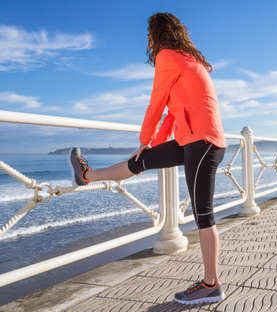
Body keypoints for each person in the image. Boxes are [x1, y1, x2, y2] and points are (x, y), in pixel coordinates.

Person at [69, 12, 227, 305]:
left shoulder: (168, 57)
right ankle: (86, 175)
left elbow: (155, 102)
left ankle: (211, 284)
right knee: (141, 161)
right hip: (193, 139)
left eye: (148, 34)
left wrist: (144, 139)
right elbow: (170, 111)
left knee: (204, 216)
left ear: (158, 34)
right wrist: (150, 145)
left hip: (201, 142)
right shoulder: (187, 59)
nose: (147, 40)